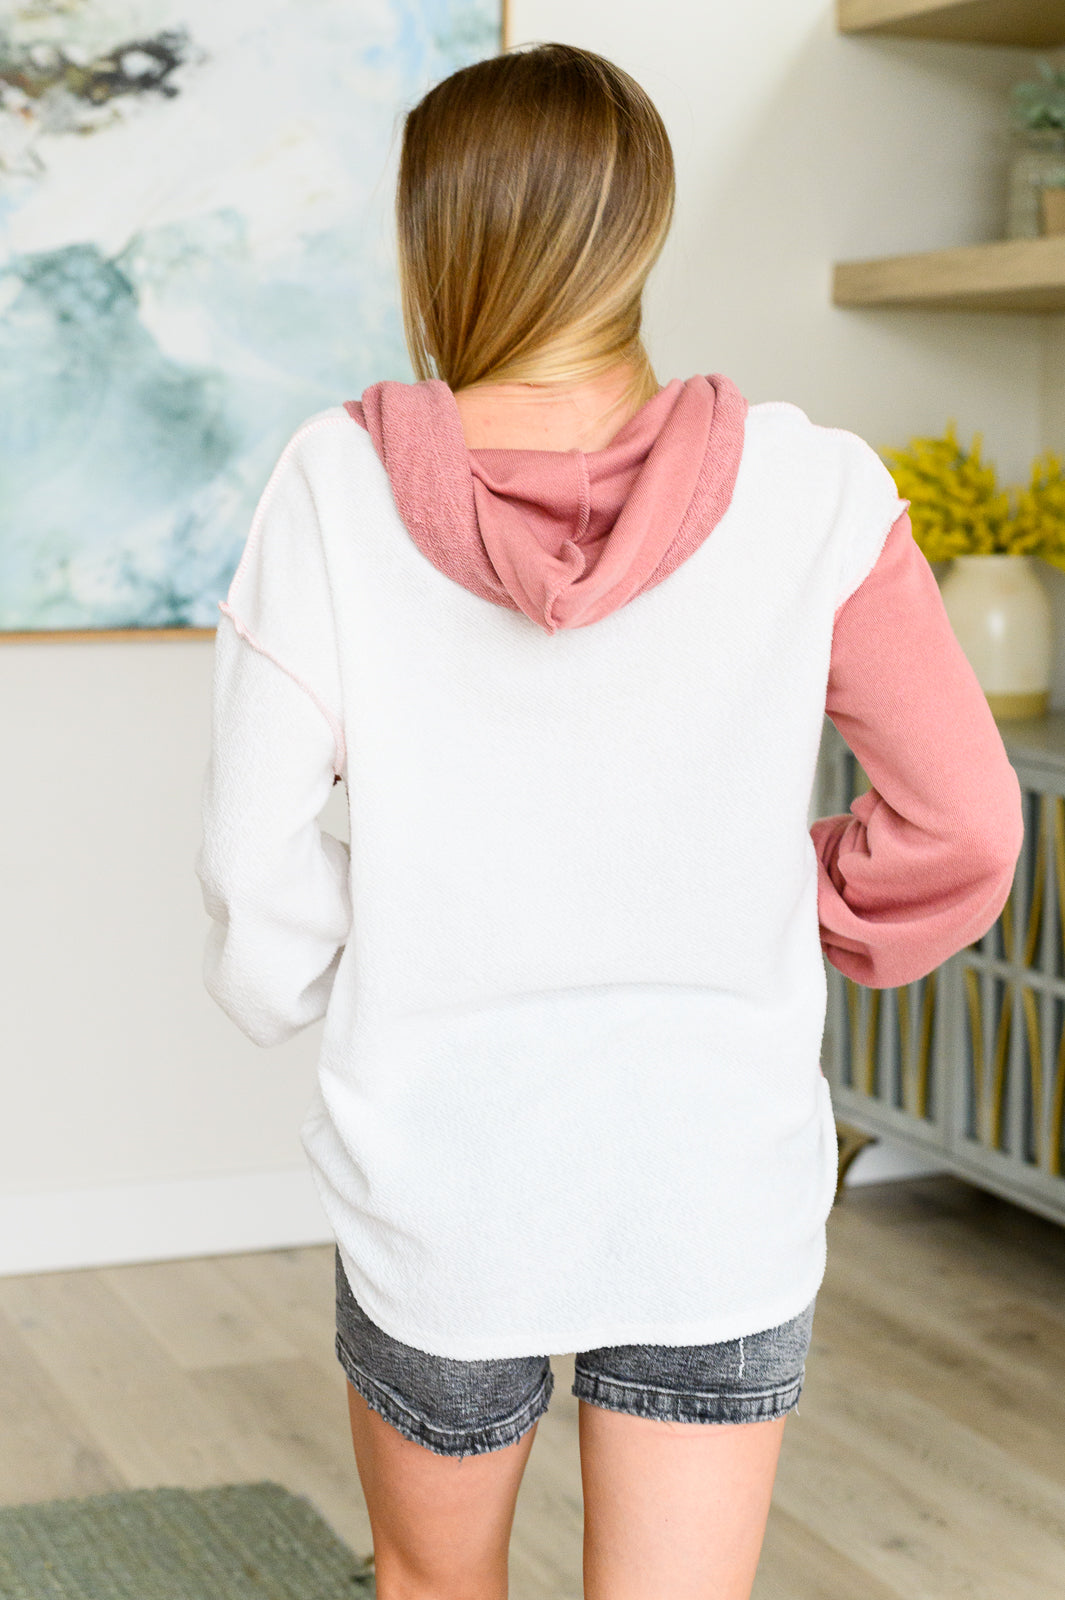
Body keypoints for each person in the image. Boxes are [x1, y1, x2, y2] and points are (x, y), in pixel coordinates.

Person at [195, 40, 1024, 1600]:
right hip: (711, 1175)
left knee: (431, 1583)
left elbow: (255, 871)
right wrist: (777, 899)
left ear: (429, 242)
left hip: (440, 1178)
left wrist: (373, 943)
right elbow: (965, 825)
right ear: (639, 230)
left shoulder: (333, 488)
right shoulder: (817, 491)